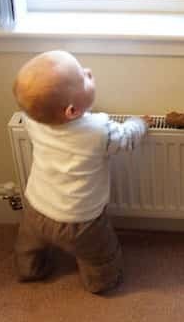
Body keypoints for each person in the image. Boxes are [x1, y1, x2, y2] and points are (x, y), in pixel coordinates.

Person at [12, 50, 150, 293]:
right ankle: (102, 282)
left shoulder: (33, 119)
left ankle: (30, 268)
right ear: (72, 111)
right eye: (83, 77)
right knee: (100, 255)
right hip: (81, 222)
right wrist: (139, 123)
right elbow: (125, 138)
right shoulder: (98, 132)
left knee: (29, 246)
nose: (89, 72)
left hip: (36, 208)